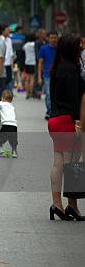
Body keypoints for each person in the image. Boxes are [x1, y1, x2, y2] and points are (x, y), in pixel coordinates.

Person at [47, 34, 84, 221]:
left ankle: (57, 204)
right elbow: (73, 99)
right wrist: (77, 123)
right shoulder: (71, 69)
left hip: (55, 120)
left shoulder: (56, 68)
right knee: (72, 165)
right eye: (79, 46)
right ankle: (72, 206)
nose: (81, 49)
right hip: (68, 120)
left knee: (58, 163)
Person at [0, 90, 18, 158]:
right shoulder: (12, 106)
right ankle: (14, 152)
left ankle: (0, 149)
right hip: (14, 126)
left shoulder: (2, 104)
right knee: (13, 140)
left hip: (6, 125)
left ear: (2, 98)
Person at [38, 31, 58, 120]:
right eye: (51, 38)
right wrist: (39, 76)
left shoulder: (60, 49)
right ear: (48, 39)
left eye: (55, 37)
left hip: (58, 75)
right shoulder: (43, 49)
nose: (53, 39)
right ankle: (49, 111)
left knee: (56, 94)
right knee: (49, 94)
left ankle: (54, 111)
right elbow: (40, 63)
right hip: (47, 74)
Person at [23, 33, 37, 98]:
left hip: (27, 62)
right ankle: (31, 92)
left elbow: (23, 50)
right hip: (33, 63)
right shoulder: (34, 45)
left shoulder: (25, 45)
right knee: (32, 79)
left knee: (27, 79)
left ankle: (27, 93)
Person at [2, 25, 14, 92]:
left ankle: (8, 100)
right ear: (3, 31)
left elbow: (11, 54)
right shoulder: (0, 40)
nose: (9, 31)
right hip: (2, 65)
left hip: (8, 65)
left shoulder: (9, 40)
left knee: (9, 83)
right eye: (7, 30)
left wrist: (11, 67)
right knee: (3, 84)